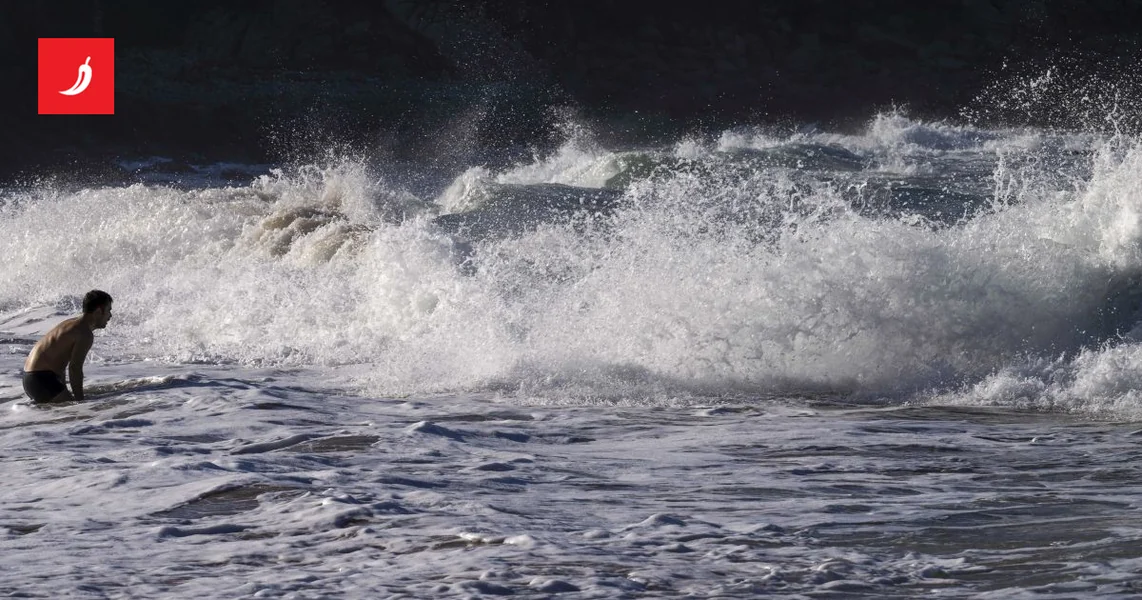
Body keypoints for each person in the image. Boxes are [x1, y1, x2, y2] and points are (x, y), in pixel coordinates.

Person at [22, 290, 113, 403]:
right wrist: (80, 401)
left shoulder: (70, 323)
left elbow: (59, 363)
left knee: (63, 415)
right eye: (109, 310)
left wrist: (63, 389)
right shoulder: (84, 334)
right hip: (41, 379)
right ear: (99, 311)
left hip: (30, 377)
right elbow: (75, 368)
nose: (110, 316)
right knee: (77, 415)